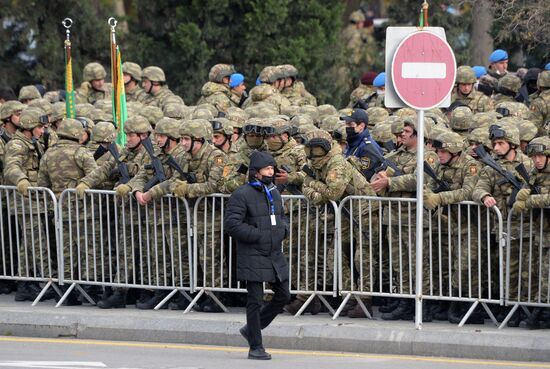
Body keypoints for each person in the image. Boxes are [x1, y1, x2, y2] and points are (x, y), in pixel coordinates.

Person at [224, 150, 290, 360]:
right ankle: (256, 346)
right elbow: (232, 225)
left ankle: (252, 329)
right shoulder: (241, 194)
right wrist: (258, 235)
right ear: (256, 172)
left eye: (272, 168)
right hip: (252, 253)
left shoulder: (274, 192)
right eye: (267, 169)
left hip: (273, 253)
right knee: (255, 300)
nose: (271, 172)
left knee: (284, 295)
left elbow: (281, 216)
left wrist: (283, 230)